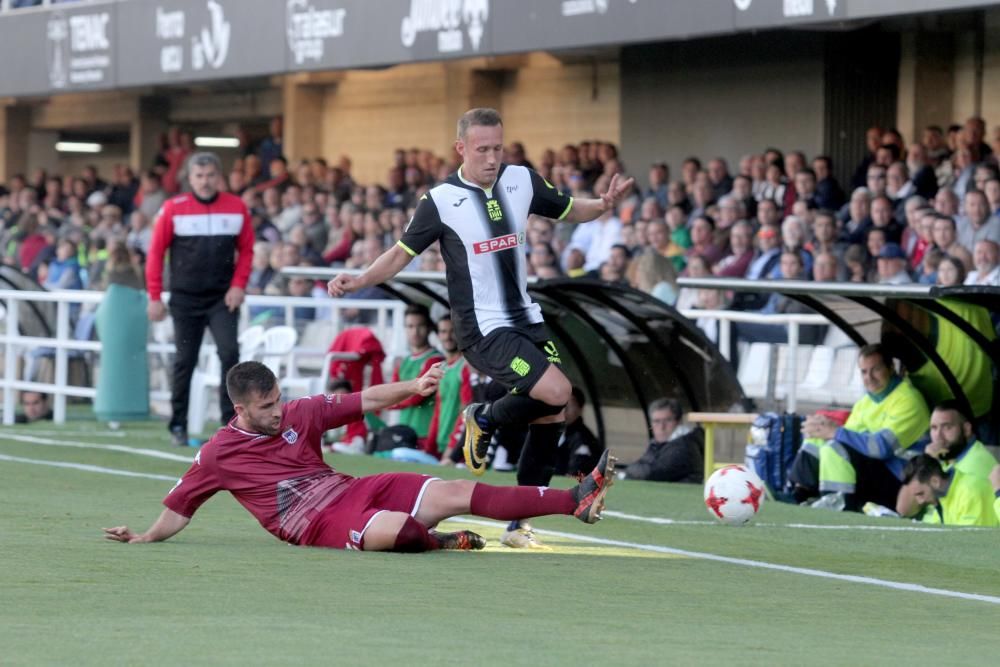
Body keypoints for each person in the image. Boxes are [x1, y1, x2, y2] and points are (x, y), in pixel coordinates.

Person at [327, 108, 633, 548]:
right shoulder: (439, 201)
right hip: (481, 326)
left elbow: (566, 208)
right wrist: (358, 279)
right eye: (482, 149)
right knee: (558, 392)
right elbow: (399, 254)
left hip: (526, 317)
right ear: (461, 148)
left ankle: (518, 525)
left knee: (551, 413)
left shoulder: (521, 181)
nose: (492, 158)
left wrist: (603, 205)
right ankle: (483, 417)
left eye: (497, 148)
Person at [102, 362, 617, 552]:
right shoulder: (217, 453)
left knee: (457, 491)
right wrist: (146, 535)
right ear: (241, 408)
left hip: (349, 489)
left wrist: (414, 386)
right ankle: (437, 542)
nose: (280, 411)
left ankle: (575, 498)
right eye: (267, 406)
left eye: (279, 398)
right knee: (405, 532)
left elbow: (365, 400)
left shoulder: (300, 412)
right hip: (314, 525)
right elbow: (180, 507)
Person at [146, 152, 255, 446]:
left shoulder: (236, 207)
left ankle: (229, 425)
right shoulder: (173, 208)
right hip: (185, 298)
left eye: (210, 176)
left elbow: (246, 251)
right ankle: (177, 425)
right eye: (199, 176)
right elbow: (155, 253)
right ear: (190, 178)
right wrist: (154, 296)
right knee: (185, 360)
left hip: (223, 298)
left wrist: (239, 285)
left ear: (219, 177)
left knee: (230, 355)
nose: (205, 182)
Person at [789, 344, 929, 512]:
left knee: (835, 449)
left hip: (900, 481)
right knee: (817, 440)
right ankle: (799, 496)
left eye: (875, 369)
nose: (869, 377)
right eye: (863, 371)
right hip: (876, 472)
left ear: (891, 368)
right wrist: (820, 429)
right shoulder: (865, 402)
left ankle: (840, 507)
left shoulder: (908, 400)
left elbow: (880, 448)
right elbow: (848, 437)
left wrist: (835, 431)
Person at [896, 401, 999, 518]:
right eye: (934, 428)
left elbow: (905, 510)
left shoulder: (975, 464)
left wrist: (927, 461)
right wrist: (927, 460)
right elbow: (903, 509)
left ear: (966, 429)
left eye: (947, 427)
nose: (938, 436)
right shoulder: (946, 457)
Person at [899, 454, 998, 527]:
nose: (920, 501)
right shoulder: (941, 495)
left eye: (921, 494)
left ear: (935, 481)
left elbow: (974, 541)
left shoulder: (970, 492)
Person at [425, 315, 472, 459]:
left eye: (452, 331)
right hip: (442, 445)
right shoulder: (442, 367)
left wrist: (452, 451)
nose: (448, 336)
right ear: (438, 335)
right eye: (443, 332)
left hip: (458, 449)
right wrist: (429, 448)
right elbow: (438, 410)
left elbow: (467, 412)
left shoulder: (466, 367)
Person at [622, 398, 703, 483]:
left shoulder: (685, 446)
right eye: (656, 421)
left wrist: (629, 470)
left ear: (679, 421)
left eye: (668, 420)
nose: (661, 427)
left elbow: (651, 474)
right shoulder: (657, 444)